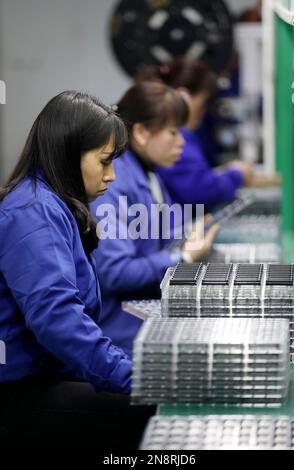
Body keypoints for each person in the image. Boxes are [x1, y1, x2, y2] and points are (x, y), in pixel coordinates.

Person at [0, 90, 154, 449]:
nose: (112, 176)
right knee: (151, 410)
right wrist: (134, 377)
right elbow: (57, 318)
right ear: (69, 155)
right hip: (19, 395)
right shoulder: (32, 213)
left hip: (47, 376)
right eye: (104, 162)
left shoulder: (50, 204)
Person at [90, 81, 219, 358]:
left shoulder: (148, 172)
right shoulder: (114, 184)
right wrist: (181, 258)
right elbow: (115, 272)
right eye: (173, 132)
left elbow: (160, 229)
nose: (182, 142)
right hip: (120, 331)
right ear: (141, 133)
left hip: (144, 314)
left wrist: (190, 230)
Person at [136, 57, 254, 213]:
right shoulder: (170, 139)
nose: (179, 141)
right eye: (203, 104)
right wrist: (236, 175)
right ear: (183, 97)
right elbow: (198, 190)